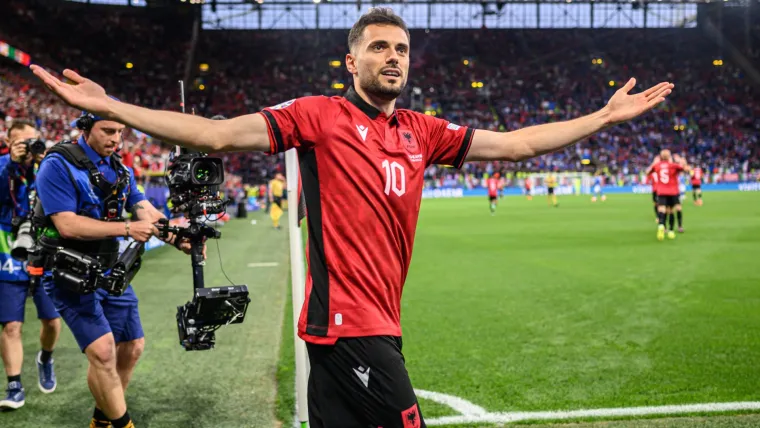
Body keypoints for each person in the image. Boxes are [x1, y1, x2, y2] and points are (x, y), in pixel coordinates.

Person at [30, 7, 674, 427]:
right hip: (346, 326)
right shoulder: (319, 117)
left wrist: (604, 118)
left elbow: (518, 144)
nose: (394, 57)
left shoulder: (424, 131)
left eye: (402, 49)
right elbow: (217, 135)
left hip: (376, 322)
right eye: (380, 48)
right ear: (353, 60)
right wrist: (112, 101)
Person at [33, 109, 195, 428]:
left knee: (132, 347)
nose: (116, 138)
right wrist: (125, 229)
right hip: (70, 272)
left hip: (109, 271)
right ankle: (123, 424)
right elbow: (66, 224)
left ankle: (101, 420)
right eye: (108, 131)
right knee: (104, 352)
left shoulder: (119, 168)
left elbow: (142, 207)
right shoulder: (57, 164)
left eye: (120, 132)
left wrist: (175, 236)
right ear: (86, 128)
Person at [0, 119, 61, 410]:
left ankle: (46, 357)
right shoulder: (2, 165)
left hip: (44, 250)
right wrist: (11, 164)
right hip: (7, 253)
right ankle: (14, 386)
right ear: (9, 142)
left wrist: (41, 163)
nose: (27, 147)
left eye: (32, 141)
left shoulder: (48, 166)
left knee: (51, 320)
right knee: (11, 324)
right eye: (21, 142)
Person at [648, 150, 689, 241]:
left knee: (662, 209)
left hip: (661, 191)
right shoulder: (673, 165)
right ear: (669, 156)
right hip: (673, 191)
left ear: (661, 157)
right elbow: (686, 170)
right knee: (671, 211)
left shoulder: (657, 166)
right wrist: (682, 161)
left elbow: (648, 172)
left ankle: (661, 225)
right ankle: (671, 231)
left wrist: (654, 164)